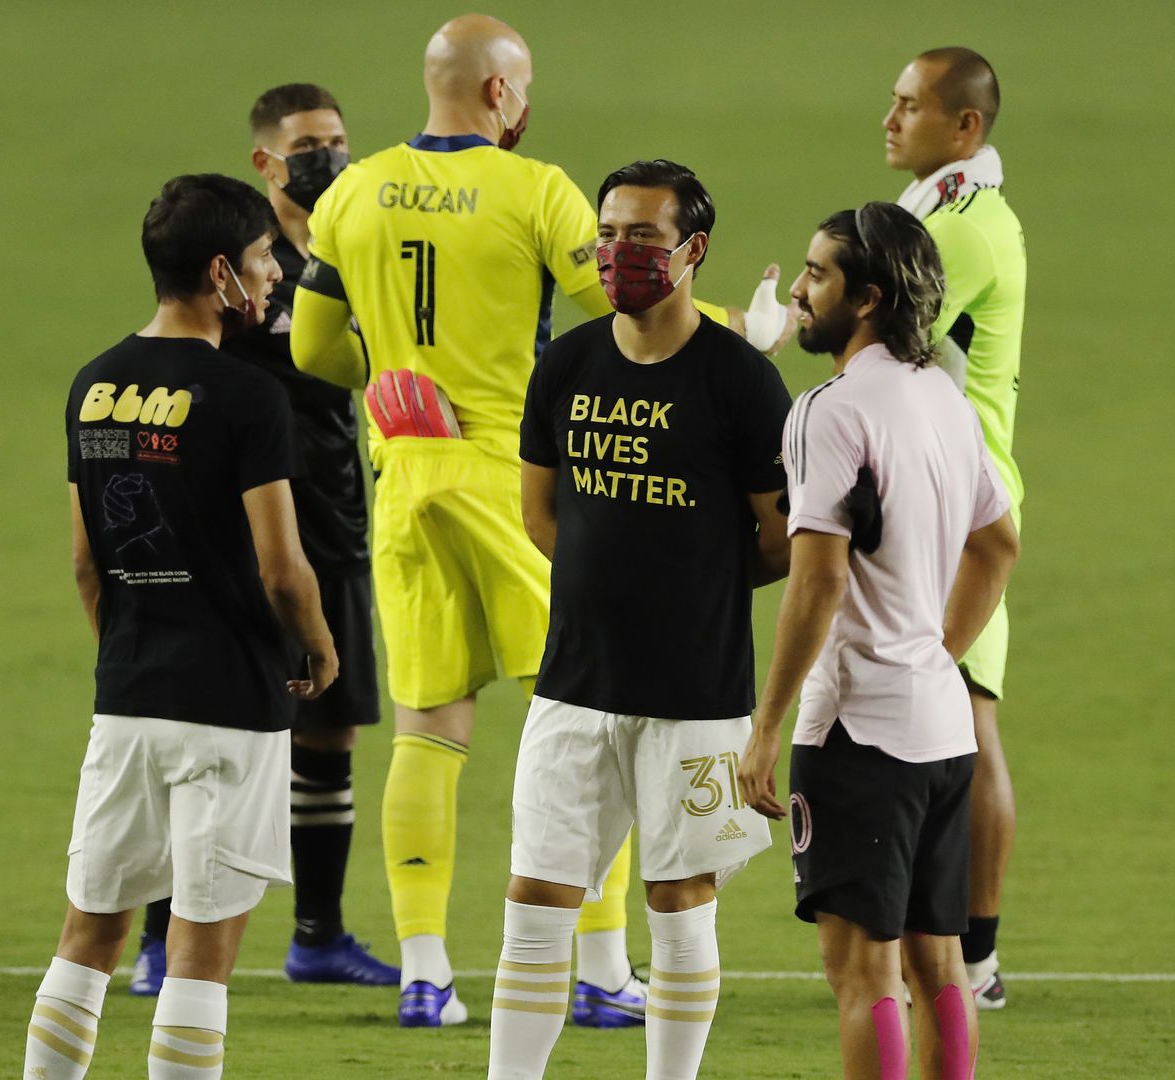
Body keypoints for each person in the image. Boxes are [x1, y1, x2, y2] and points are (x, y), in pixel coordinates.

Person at [290, 14, 695, 1027]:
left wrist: (390, 375)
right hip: (516, 486)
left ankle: (426, 972)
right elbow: (622, 318)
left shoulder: (352, 193)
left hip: (405, 484)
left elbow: (311, 350)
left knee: (428, 732)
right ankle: (601, 972)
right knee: (590, 725)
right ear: (502, 95)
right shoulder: (536, 190)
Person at [23, 173, 337, 1080]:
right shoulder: (246, 398)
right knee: (202, 952)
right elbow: (284, 570)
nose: (274, 273)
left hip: (127, 696)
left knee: (88, 934)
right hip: (232, 705)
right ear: (218, 273)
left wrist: (128, 658)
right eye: (261, 258)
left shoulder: (94, 386)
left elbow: (88, 563)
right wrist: (318, 649)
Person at [488, 160, 789, 1080]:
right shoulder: (567, 363)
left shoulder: (741, 384)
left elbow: (780, 542)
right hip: (574, 684)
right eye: (607, 236)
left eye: (643, 238)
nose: (617, 254)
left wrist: (687, 584)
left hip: (695, 694)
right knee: (536, 903)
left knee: (679, 903)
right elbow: (541, 514)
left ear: (692, 251)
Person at [737, 204, 1019, 1080]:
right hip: (939, 728)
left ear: (866, 297)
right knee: (937, 964)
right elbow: (998, 542)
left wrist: (765, 726)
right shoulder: (945, 393)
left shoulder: (832, 410)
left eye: (816, 275)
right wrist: (936, 647)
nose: (799, 289)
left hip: (860, 734)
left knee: (862, 972)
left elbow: (815, 578)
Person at [126, 82, 396, 998]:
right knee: (204, 731)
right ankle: (162, 942)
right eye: (310, 142)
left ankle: (318, 936)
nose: (329, 156)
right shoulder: (238, 259)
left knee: (332, 729)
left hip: (334, 507)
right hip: (235, 516)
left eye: (339, 139)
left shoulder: (361, 244)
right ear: (267, 158)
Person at [883, 46, 1028, 1008]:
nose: (888, 118)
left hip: (951, 508)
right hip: (926, 495)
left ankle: (972, 956)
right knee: (943, 717)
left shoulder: (961, 230)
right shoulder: (944, 210)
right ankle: (946, 944)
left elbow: (875, 327)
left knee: (963, 721)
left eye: (908, 105)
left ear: (963, 126)